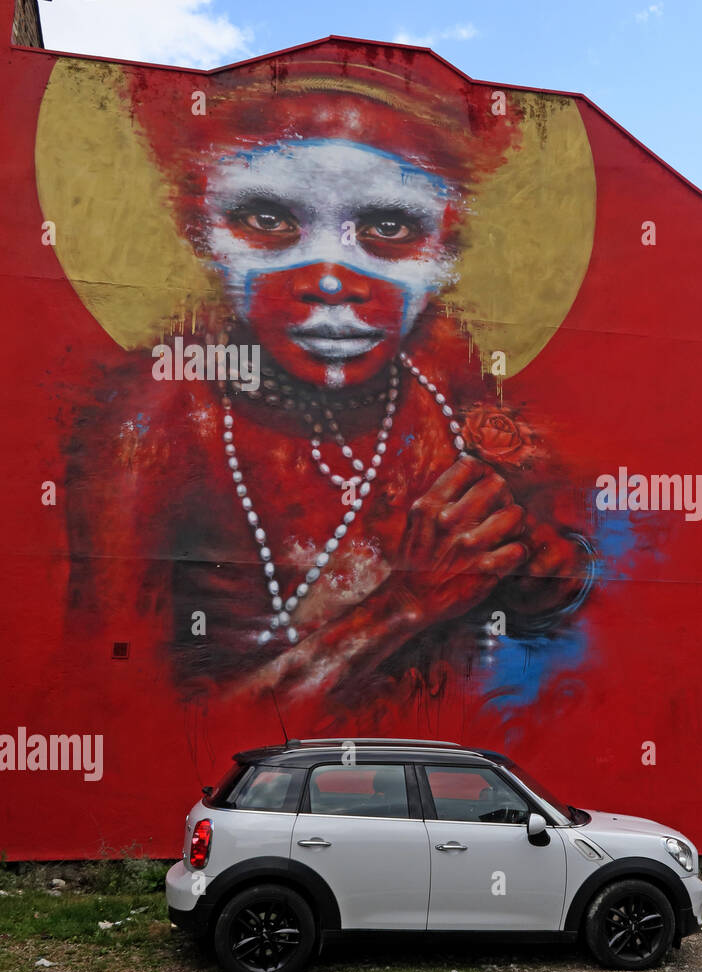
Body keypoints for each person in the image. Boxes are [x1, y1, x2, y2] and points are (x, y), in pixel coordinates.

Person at [64, 61, 593, 730]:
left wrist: (540, 566)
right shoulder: (154, 427)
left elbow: (553, 580)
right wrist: (405, 604)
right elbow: (124, 724)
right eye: (266, 217)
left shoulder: (447, 379)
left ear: (448, 250)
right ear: (200, 230)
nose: (331, 280)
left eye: (391, 229)